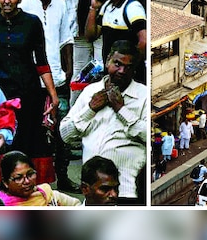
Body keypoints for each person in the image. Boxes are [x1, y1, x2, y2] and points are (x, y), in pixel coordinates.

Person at [0, 0, 59, 162]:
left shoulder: (32, 22)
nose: (7, 1)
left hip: (27, 89)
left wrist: (53, 95)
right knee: (1, 132)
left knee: (27, 136)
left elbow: (41, 61)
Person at [59, 42, 147, 204]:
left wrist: (121, 110)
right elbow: (65, 135)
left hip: (127, 192)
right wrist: (90, 109)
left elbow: (149, 136)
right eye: (117, 64)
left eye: (128, 67)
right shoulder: (90, 92)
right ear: (107, 62)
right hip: (93, 192)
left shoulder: (143, 96)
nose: (122, 71)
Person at [84, 0, 148, 73]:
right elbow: (90, 36)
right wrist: (93, 8)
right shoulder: (106, 6)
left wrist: (131, 67)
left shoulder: (132, 8)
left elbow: (144, 41)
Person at [0, 150, 81, 206]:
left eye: (30, 174)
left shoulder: (48, 195)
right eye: (18, 178)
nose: (27, 181)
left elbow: (78, 206)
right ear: (5, 182)